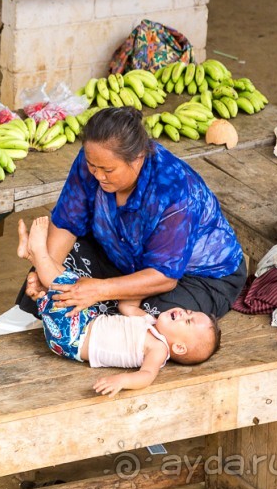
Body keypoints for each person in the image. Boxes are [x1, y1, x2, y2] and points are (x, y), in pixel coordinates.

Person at [15, 106, 247, 323]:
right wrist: (46, 272)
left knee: (159, 325)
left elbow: (164, 275)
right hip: (121, 258)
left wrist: (97, 289)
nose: (97, 175)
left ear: (137, 158)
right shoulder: (94, 159)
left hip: (195, 277)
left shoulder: (174, 191)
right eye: (92, 166)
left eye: (108, 170)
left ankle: (92, 324)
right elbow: (67, 222)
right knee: (53, 270)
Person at [19, 216, 221, 397]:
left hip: (73, 337)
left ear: (178, 347)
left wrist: (122, 381)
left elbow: (147, 375)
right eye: (189, 312)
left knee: (66, 286)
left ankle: (38, 253)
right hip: (85, 321)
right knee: (77, 282)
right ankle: (33, 256)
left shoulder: (158, 349)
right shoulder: (148, 320)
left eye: (188, 321)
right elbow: (127, 304)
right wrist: (147, 279)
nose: (183, 312)